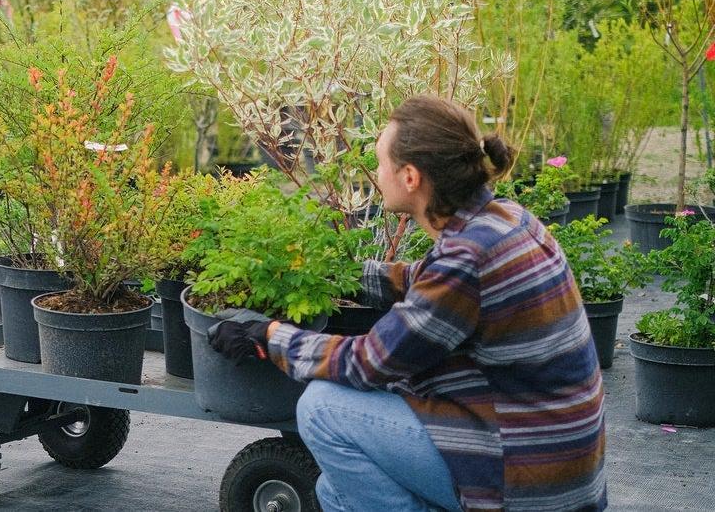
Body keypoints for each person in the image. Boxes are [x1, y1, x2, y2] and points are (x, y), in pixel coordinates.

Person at [209, 95, 607, 511]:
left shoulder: (467, 258)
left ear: (411, 177)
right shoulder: (502, 219)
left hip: (528, 478)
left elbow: (369, 362)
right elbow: (425, 278)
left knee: (321, 408)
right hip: (555, 457)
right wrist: (344, 276)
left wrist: (268, 334)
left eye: (381, 164)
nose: (376, 175)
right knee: (333, 494)